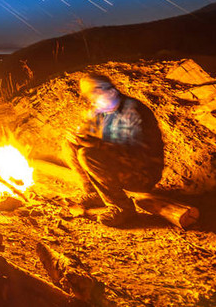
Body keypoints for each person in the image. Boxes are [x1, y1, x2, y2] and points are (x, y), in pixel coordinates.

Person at [65, 73, 164, 227]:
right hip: (119, 163)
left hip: (142, 172)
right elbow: (87, 133)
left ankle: (122, 207)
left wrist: (96, 144)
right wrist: (78, 137)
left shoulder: (133, 112)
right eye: (88, 94)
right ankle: (95, 192)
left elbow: (136, 154)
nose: (90, 98)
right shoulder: (100, 110)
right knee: (70, 145)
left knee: (88, 155)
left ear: (110, 91)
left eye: (94, 92)